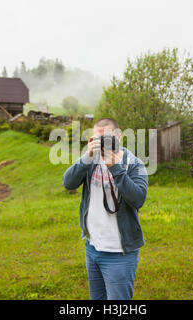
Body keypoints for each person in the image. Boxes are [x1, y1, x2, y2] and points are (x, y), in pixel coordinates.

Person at [62, 117, 148, 300]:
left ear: (118, 137)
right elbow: (68, 183)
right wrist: (87, 156)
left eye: (106, 138)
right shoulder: (90, 162)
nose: (102, 143)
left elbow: (138, 199)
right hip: (92, 247)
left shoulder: (135, 164)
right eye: (97, 138)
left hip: (119, 252)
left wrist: (115, 168)